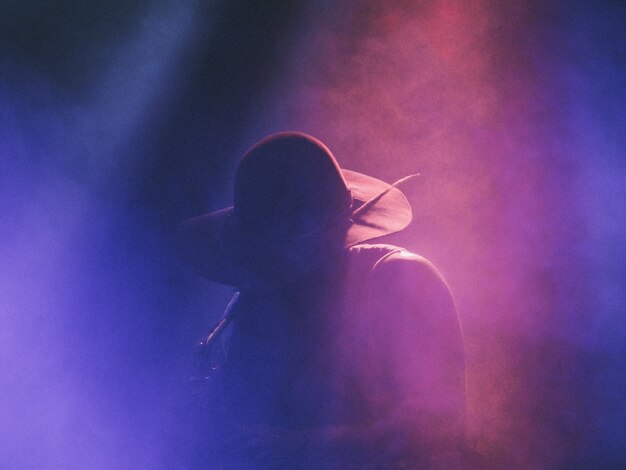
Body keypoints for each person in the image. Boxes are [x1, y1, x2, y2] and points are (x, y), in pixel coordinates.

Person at [179, 132, 466, 469]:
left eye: (276, 257)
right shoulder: (250, 305)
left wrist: (293, 448)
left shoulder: (397, 281)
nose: (264, 273)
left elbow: (438, 425)